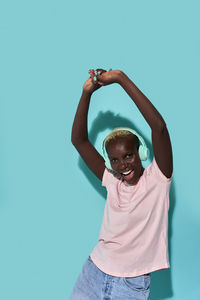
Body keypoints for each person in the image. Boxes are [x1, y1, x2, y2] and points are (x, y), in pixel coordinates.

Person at [70, 68, 173, 300]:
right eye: (114, 160)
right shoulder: (111, 180)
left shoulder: (158, 179)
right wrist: (86, 93)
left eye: (128, 155)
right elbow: (79, 141)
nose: (122, 165)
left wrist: (120, 79)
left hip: (130, 284)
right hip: (93, 273)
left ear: (141, 152)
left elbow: (159, 127)